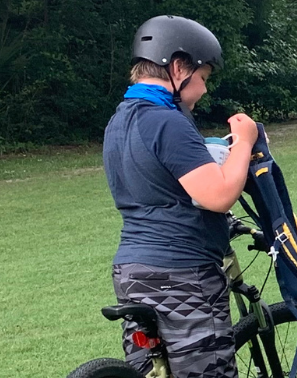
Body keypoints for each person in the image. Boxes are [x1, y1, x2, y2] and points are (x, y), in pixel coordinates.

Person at [101, 15, 262, 378]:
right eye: (202, 77)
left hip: (132, 271)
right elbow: (219, 196)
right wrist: (245, 141)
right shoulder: (166, 121)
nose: (204, 89)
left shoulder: (119, 122)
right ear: (177, 67)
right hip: (181, 274)